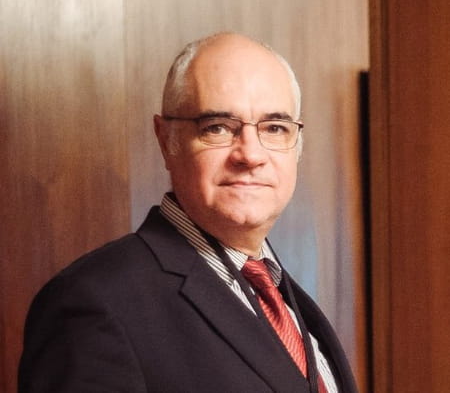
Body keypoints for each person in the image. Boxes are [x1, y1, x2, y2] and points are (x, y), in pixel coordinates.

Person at [18, 32, 357, 392]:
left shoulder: (287, 302)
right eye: (218, 128)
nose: (251, 155)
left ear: (297, 143)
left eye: (275, 128)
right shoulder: (94, 302)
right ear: (166, 139)